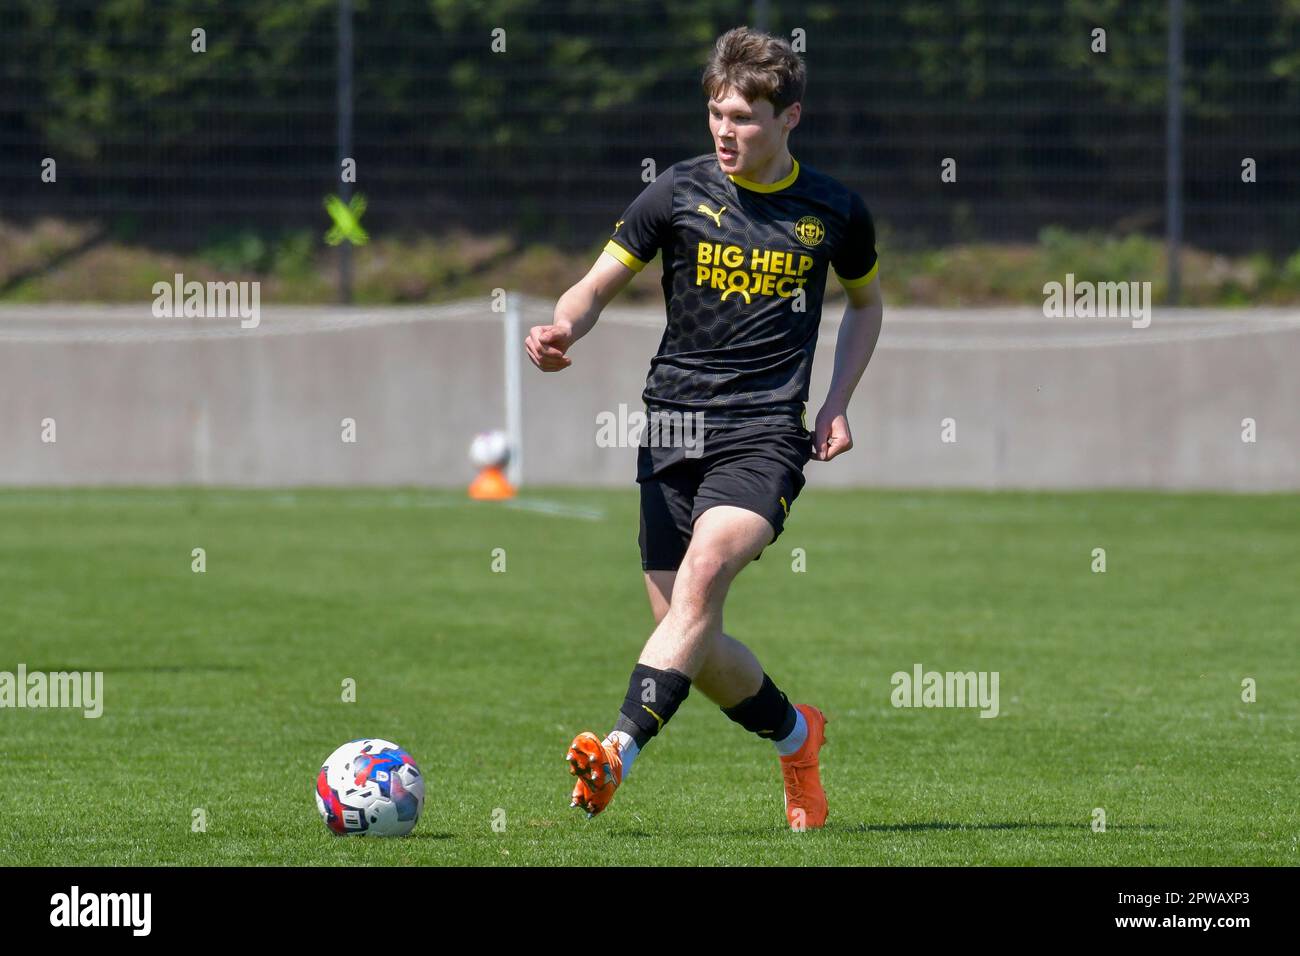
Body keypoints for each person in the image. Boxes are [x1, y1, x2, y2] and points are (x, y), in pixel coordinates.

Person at [525, 25, 884, 830]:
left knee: (701, 580)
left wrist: (835, 400)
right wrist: (562, 332)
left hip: (763, 435)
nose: (726, 131)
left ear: (791, 117)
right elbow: (592, 286)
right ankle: (798, 737)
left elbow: (866, 304)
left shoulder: (831, 211)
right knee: (691, 637)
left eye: (746, 117)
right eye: (718, 114)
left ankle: (616, 750)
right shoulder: (677, 194)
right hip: (671, 430)